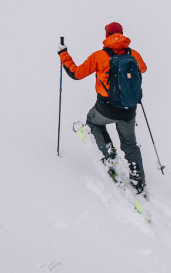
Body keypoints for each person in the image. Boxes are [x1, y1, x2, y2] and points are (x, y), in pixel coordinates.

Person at [58, 22, 148, 193]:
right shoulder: (133, 54)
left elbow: (76, 73)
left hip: (106, 108)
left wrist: (63, 54)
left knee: (92, 121)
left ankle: (109, 152)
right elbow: (143, 69)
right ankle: (137, 178)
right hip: (129, 110)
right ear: (122, 33)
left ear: (106, 35)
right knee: (130, 144)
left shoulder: (99, 56)